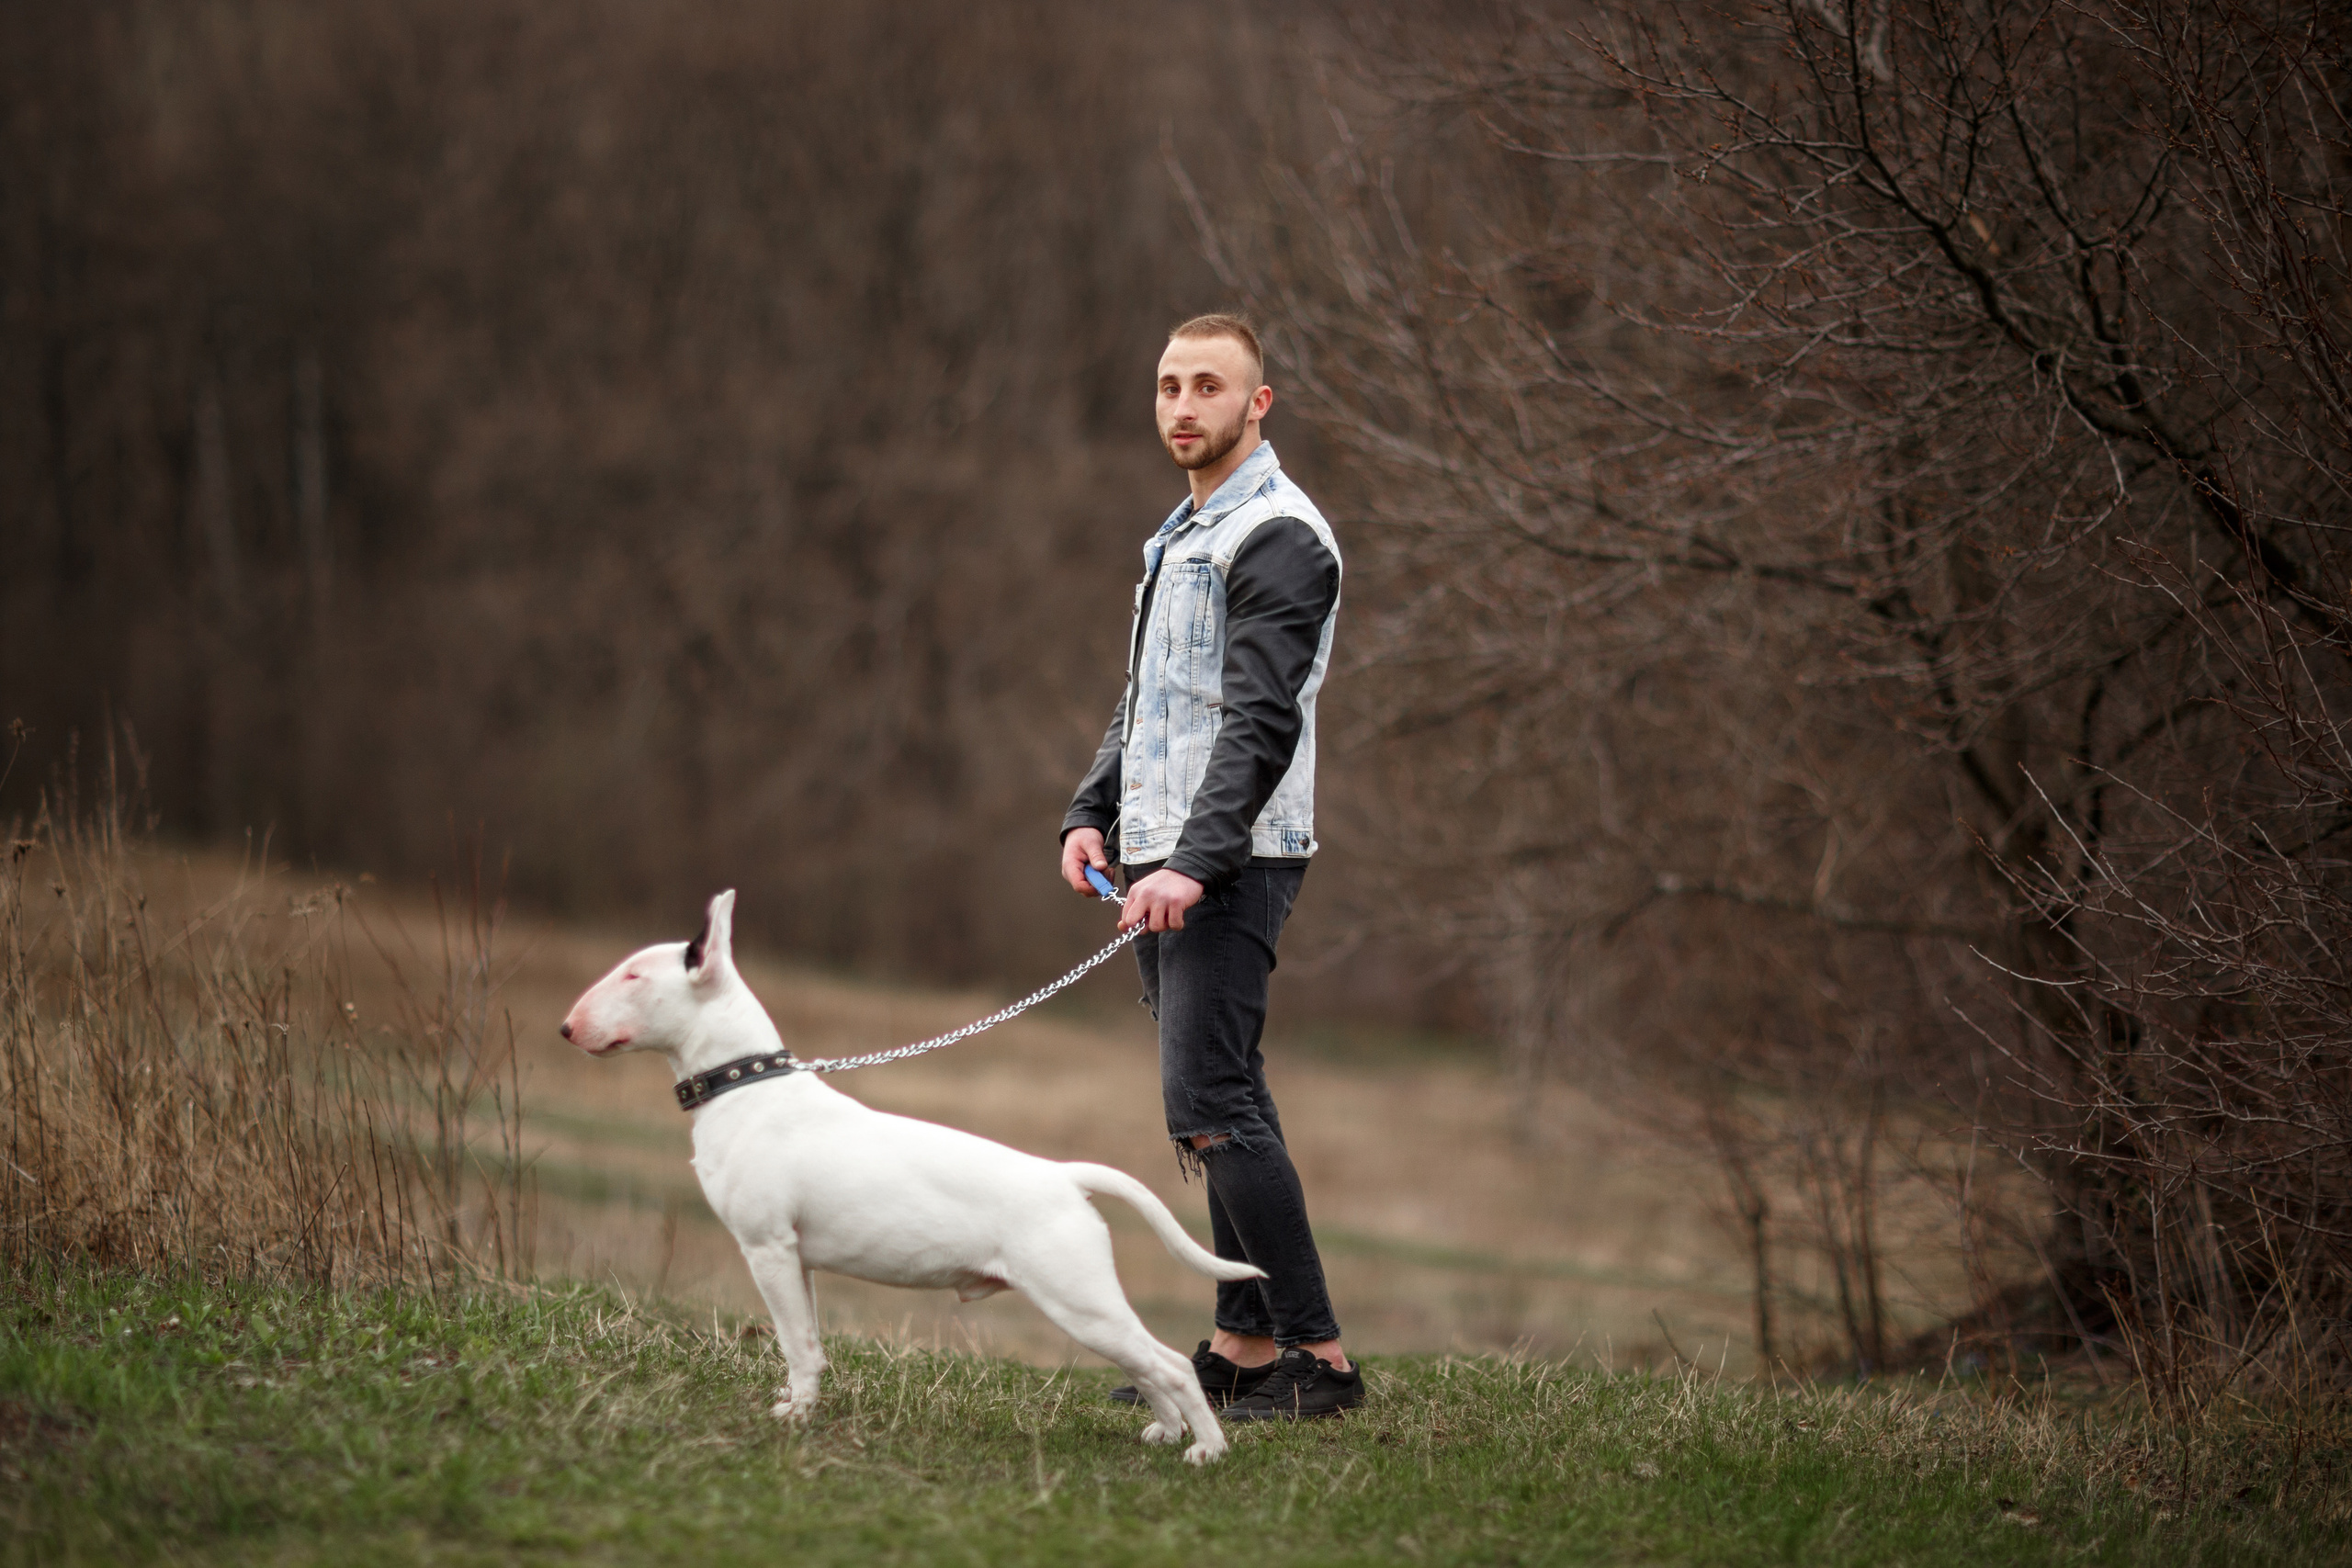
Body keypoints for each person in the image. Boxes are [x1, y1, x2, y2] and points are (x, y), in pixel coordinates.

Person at [1057, 312, 1361, 1420]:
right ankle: (1241, 1349)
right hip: (1160, 857)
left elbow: (1256, 724)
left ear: (1256, 404)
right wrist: (1090, 813)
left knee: (1211, 1099)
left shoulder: (1278, 536)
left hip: (1230, 862)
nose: (1183, 406)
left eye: (1208, 388)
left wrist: (1192, 862)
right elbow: (1152, 705)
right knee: (1216, 1101)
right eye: (1168, 386)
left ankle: (1318, 1363)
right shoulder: (1183, 533)